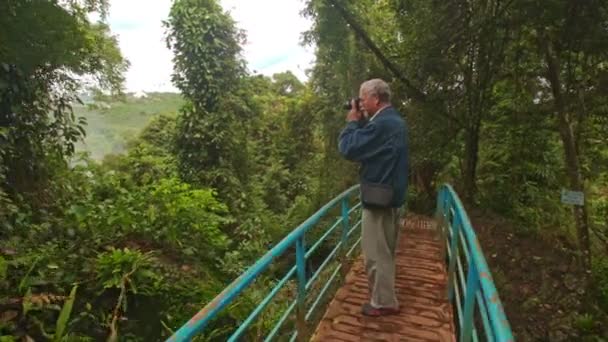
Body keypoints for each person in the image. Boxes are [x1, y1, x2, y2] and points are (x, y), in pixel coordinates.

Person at [338, 78, 408, 317]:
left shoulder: (382, 125)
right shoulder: (394, 121)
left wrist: (351, 123)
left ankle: (383, 303)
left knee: (375, 255)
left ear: (375, 98)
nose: (361, 103)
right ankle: (385, 298)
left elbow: (349, 148)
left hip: (379, 200)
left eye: (363, 98)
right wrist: (363, 119)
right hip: (392, 197)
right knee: (384, 252)